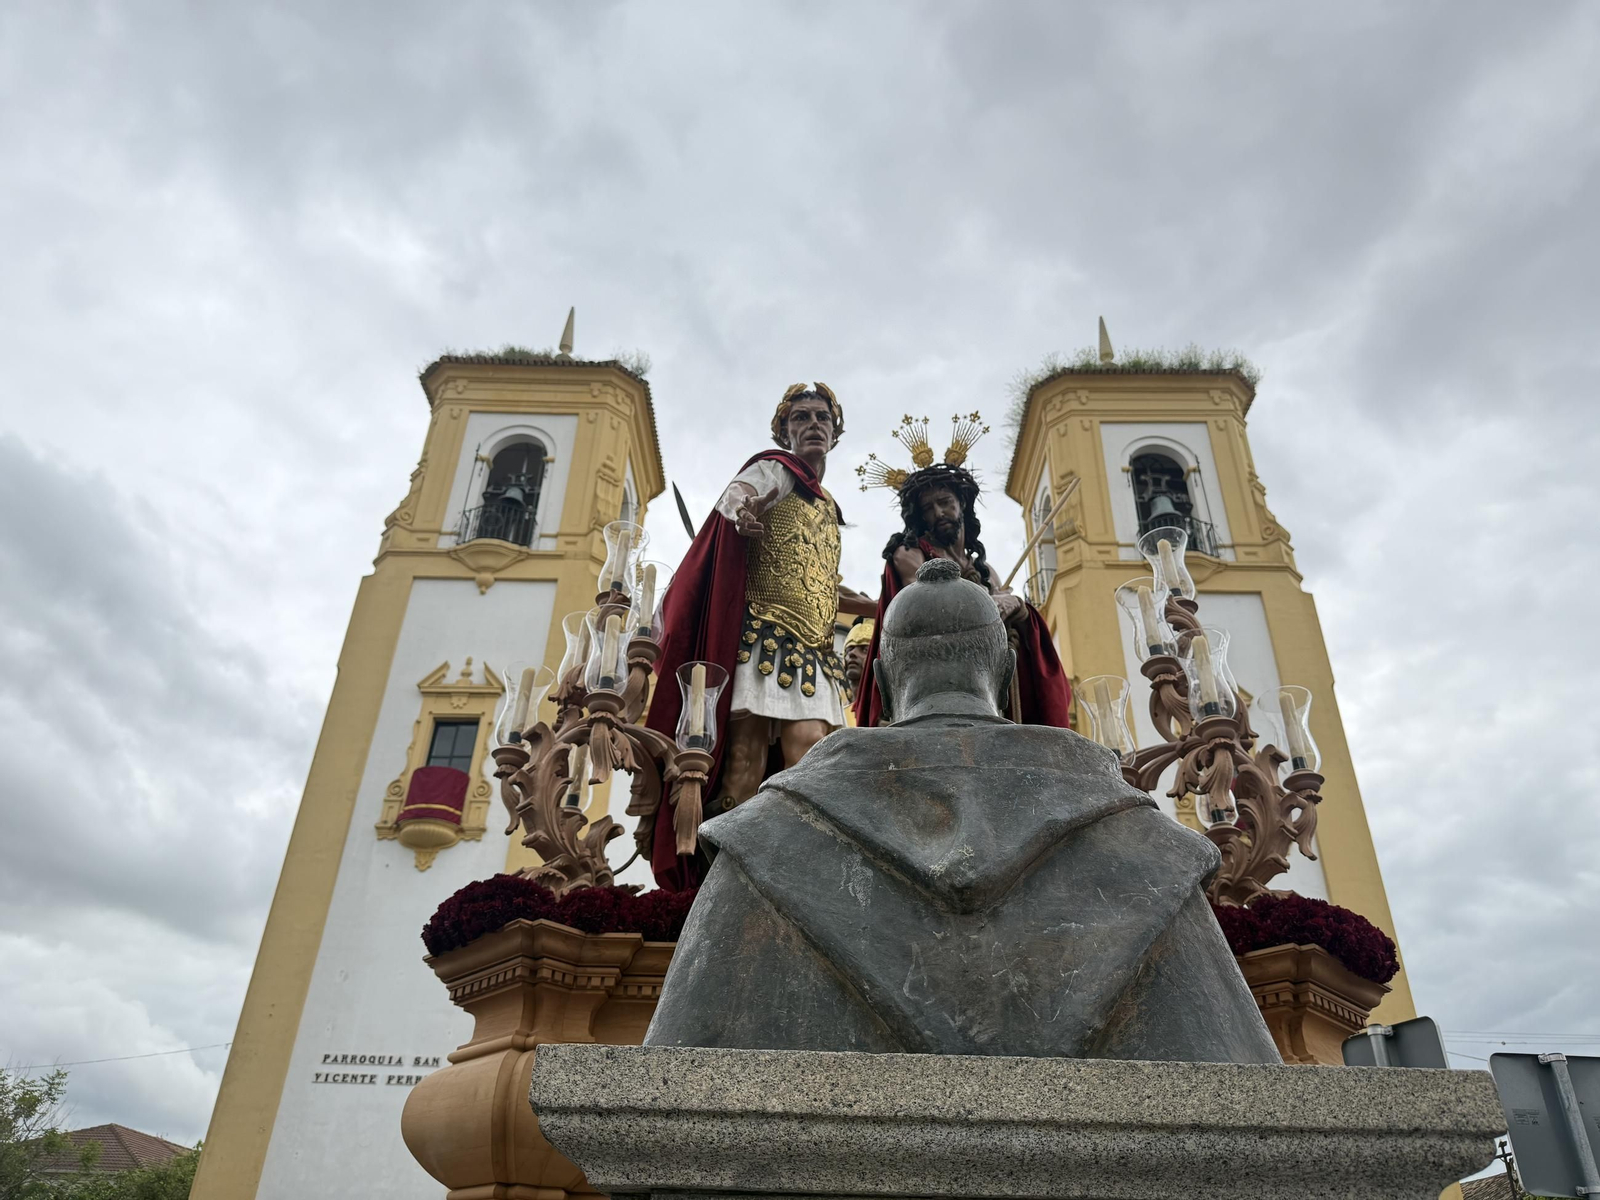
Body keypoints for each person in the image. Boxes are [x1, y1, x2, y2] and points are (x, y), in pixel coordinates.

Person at [645, 558, 1280, 1065]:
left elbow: (673, 1083)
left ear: (885, 682)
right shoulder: (1147, 848)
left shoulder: (766, 835)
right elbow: (1246, 1099)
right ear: (1007, 676)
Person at [645, 382, 876, 890]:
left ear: (836, 434)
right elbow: (740, 493)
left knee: (815, 759)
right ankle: (728, 881)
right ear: (785, 430)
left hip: (816, 652)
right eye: (801, 417)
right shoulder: (776, 469)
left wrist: (884, 605)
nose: (813, 424)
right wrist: (744, 510)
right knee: (743, 764)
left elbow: (822, 584)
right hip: (763, 639)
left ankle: (805, 873)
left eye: (822, 417)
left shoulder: (828, 509)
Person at [851, 415, 1071, 729]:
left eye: (945, 502)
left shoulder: (986, 571)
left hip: (993, 687)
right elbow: (935, 607)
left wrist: (1019, 608)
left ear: (962, 506)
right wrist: (993, 603)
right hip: (935, 681)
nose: (938, 512)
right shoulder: (910, 554)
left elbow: (1009, 617)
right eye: (928, 508)